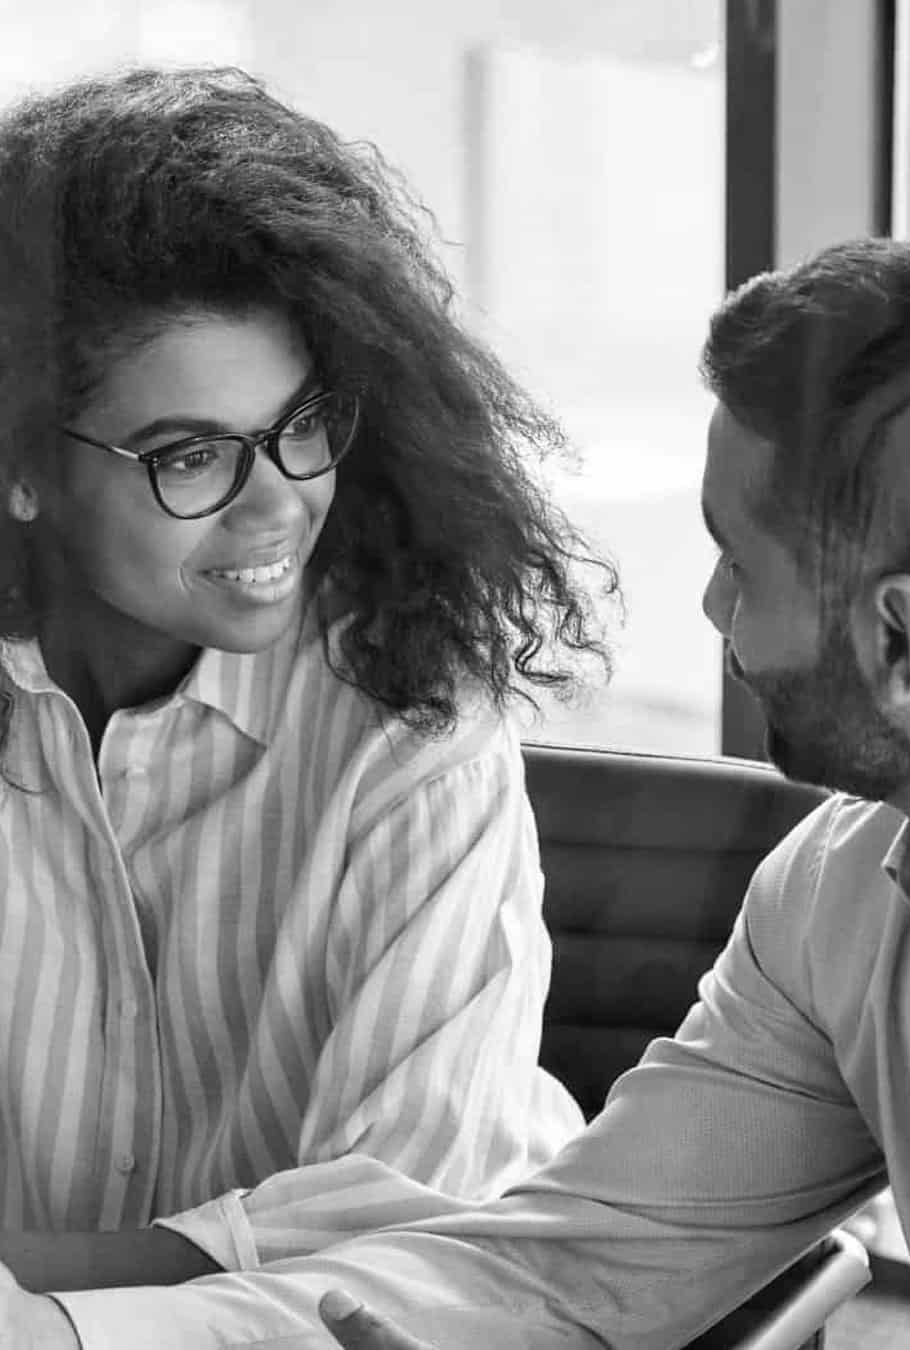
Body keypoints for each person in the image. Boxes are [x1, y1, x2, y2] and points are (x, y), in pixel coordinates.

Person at [10, 233, 910, 1349]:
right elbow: (572, 1271)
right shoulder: (836, 896)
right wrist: (57, 1335)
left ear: (899, 637)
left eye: (741, 566)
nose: (713, 609)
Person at [0, 64, 616, 1299]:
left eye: (302, 423)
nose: (282, 503)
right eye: (191, 456)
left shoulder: (412, 721)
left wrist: (35, 1301)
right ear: (22, 470)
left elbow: (405, 1223)